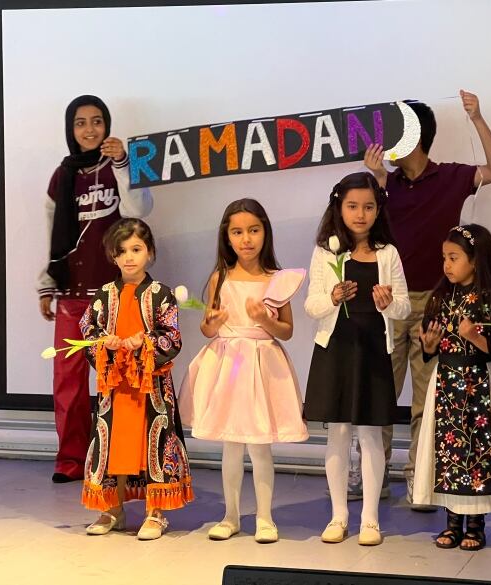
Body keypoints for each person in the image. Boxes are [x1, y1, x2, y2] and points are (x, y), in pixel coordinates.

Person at [363, 90, 491, 507]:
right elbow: (366, 229)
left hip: (434, 304)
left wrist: (478, 118)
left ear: (413, 136)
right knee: (379, 392)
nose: (383, 141)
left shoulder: (450, 176)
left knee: (428, 398)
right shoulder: (383, 184)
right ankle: (374, 474)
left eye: (392, 132)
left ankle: (420, 478)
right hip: (388, 301)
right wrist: (375, 180)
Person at [37, 95, 152, 483]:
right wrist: (46, 285)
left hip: (116, 293)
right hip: (71, 293)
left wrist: (123, 163)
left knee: (121, 379)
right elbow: (52, 235)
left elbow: (140, 209)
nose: (89, 130)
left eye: (97, 121)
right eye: (80, 123)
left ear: (107, 125)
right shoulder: (61, 175)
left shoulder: (123, 163)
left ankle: (120, 459)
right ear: (71, 130)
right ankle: (70, 460)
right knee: (67, 383)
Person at [178, 199, 308, 544]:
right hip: (230, 365)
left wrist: (266, 319)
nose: (246, 239)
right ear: (227, 236)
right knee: (232, 443)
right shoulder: (220, 277)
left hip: (262, 364)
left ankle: (265, 517)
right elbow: (208, 327)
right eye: (238, 232)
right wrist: (214, 323)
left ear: (265, 232)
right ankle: (231, 515)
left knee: (260, 444)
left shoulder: (276, 280)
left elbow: (287, 331)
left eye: (253, 230)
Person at [303, 172, 410, 546]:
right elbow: (312, 306)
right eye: (352, 206)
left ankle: (369, 519)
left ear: (378, 209)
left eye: (368, 207)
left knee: (370, 435)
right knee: (338, 433)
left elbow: (404, 306)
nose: (360, 214)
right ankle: (338, 516)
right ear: (339, 207)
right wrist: (333, 296)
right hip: (336, 349)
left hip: (372, 351)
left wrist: (388, 303)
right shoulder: (326, 251)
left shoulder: (388, 252)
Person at [79, 218, 193, 540]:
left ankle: (155, 513)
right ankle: (112, 509)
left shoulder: (162, 295)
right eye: (122, 251)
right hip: (115, 386)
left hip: (150, 387)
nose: (129, 257)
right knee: (114, 444)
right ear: (113, 257)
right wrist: (106, 342)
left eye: (136, 249)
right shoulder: (103, 295)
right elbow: (88, 332)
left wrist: (144, 343)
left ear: (149, 252)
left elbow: (171, 336)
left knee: (151, 444)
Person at [413, 224, 491, 551]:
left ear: (474, 261)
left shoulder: (490, 300)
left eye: (454, 257)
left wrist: (475, 337)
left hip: (477, 388)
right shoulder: (440, 297)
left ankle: (476, 526)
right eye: (444, 258)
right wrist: (430, 346)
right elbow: (428, 344)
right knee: (447, 453)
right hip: (446, 384)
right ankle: (451, 524)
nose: (446, 265)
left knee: (476, 454)